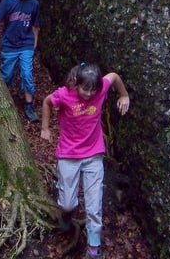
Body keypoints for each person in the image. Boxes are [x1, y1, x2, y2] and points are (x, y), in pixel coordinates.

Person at [40, 63, 130, 259]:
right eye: (84, 89)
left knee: (94, 204)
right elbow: (47, 102)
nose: (89, 94)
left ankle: (94, 249)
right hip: (69, 155)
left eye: (93, 89)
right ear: (76, 83)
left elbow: (113, 76)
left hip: (93, 155)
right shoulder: (65, 94)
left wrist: (124, 95)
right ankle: (65, 214)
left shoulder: (101, 87)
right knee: (67, 204)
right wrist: (45, 128)